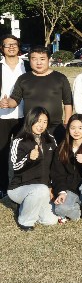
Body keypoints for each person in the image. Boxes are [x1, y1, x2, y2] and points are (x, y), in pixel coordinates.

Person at [7, 45, 73, 144]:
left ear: (49, 60)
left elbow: (68, 103)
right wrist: (7, 103)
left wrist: (66, 123)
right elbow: (15, 99)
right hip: (30, 128)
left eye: (42, 59)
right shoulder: (23, 78)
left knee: (56, 153)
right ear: (29, 60)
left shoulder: (60, 78)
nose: (38, 63)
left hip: (55, 127)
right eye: (34, 59)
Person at [7, 107, 59, 230]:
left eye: (45, 122)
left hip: (43, 189)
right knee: (40, 189)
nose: (41, 125)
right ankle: (25, 221)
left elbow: (55, 166)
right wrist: (28, 158)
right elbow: (14, 167)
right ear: (31, 120)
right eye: (38, 121)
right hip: (19, 188)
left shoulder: (51, 140)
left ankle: (29, 207)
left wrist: (51, 186)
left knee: (51, 221)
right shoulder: (19, 141)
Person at [0, 34, 29, 197]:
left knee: (22, 152)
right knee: (2, 153)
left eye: (14, 44)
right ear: (2, 48)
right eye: (7, 44)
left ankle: (22, 185)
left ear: (19, 47)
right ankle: (2, 186)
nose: (11, 47)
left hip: (24, 115)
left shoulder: (27, 65)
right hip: (1, 116)